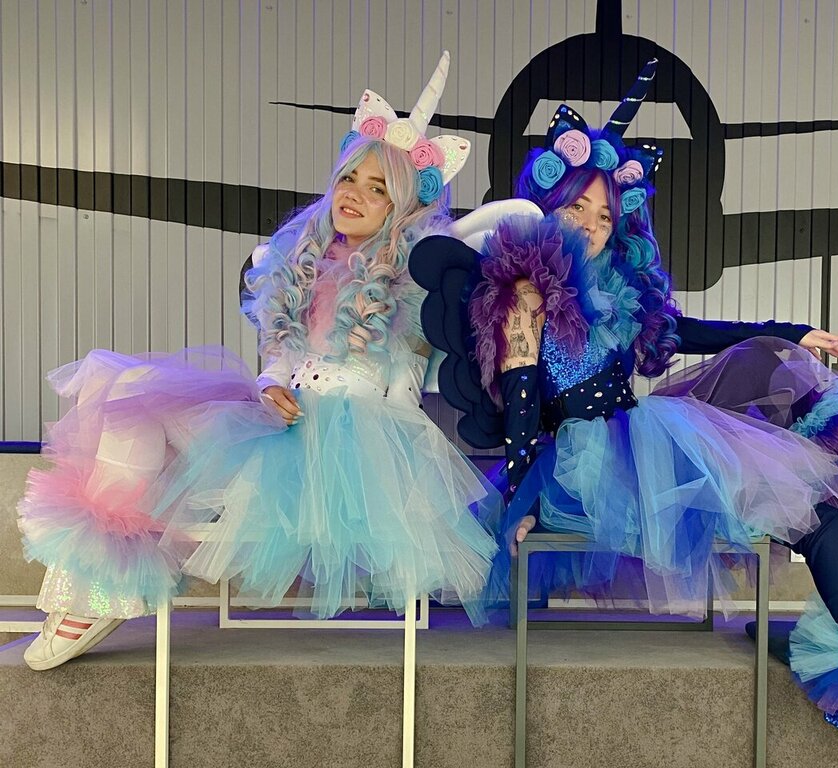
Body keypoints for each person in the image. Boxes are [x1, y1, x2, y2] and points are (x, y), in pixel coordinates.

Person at [409, 59, 838, 767]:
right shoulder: (526, 290)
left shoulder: (618, 289)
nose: (592, 226)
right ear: (548, 206)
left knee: (804, 478)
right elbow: (520, 402)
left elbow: (695, 332)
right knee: (784, 459)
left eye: (605, 216)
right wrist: (520, 498)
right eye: (577, 208)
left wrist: (793, 333)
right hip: (581, 471)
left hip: (643, 442)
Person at [18, 52, 500, 671]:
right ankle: (98, 589)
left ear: (402, 209)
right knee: (127, 393)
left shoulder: (416, 278)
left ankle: (93, 597)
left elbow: (416, 368)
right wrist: (272, 386)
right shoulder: (299, 260)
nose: (354, 194)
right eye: (349, 178)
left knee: (138, 410)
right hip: (277, 421)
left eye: (378, 189)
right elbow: (279, 356)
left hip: (348, 447)